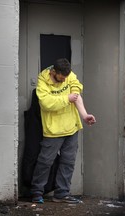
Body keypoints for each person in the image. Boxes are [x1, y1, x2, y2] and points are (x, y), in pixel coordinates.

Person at [31, 58, 96, 204]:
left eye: (66, 77)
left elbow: (76, 95)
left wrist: (85, 115)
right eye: (61, 77)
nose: (64, 79)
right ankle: (36, 192)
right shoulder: (43, 80)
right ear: (54, 72)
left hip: (72, 127)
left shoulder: (69, 75)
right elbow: (46, 103)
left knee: (68, 162)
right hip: (53, 129)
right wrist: (67, 98)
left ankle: (61, 194)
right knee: (45, 162)